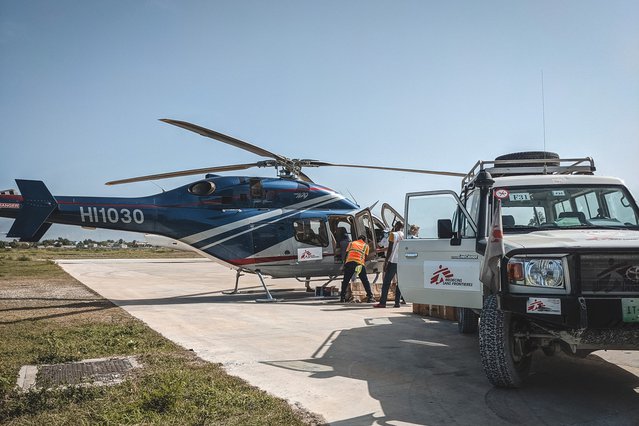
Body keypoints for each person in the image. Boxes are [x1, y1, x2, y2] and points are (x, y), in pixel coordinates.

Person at [374, 222, 404, 308]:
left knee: (386, 282)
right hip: (401, 261)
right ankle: (397, 302)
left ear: (396, 226)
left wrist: (386, 262)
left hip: (393, 261)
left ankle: (382, 303)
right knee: (400, 283)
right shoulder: (403, 235)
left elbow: (390, 249)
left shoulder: (393, 234)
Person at [339, 235, 375, 303]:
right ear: (364, 240)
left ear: (358, 239)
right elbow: (365, 257)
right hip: (359, 263)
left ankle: (342, 297)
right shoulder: (366, 246)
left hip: (349, 262)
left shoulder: (352, 243)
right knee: (365, 281)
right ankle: (370, 297)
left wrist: (344, 264)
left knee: (345, 281)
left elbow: (347, 253)